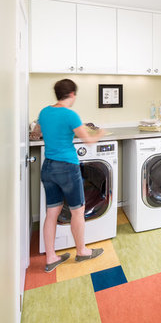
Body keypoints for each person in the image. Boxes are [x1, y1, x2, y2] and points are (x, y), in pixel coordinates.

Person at [39, 79, 105, 272]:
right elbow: (89, 140)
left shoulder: (44, 112)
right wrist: (100, 132)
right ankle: (82, 251)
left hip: (48, 166)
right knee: (77, 210)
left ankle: (51, 257)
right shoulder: (71, 115)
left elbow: (38, 132)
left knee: (52, 212)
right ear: (72, 95)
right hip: (67, 167)